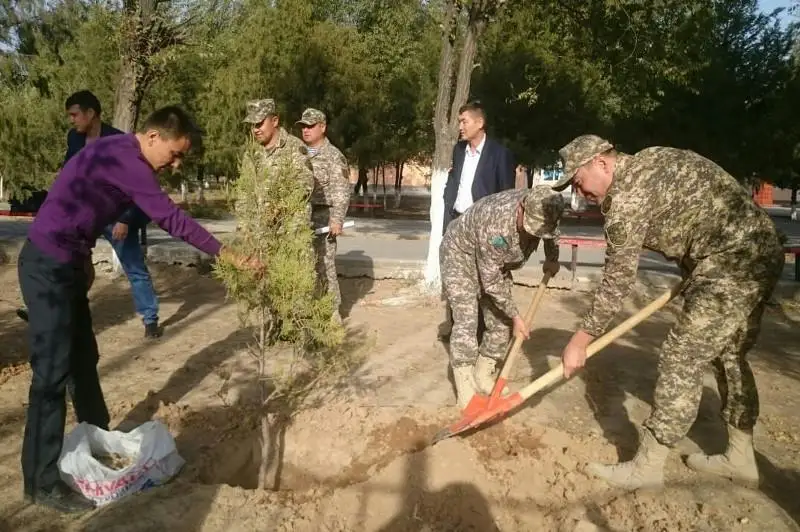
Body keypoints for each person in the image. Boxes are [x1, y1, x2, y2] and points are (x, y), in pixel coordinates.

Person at [18, 105, 257, 513]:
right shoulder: (129, 161)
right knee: (51, 376)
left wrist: (81, 264)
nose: (176, 164)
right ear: (152, 137)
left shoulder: (116, 152)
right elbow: (171, 219)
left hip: (66, 263)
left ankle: (100, 442)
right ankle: (40, 483)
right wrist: (227, 254)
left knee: (83, 359)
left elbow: (79, 207)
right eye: (175, 153)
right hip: (47, 267)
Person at [553, 134, 785, 489]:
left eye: (579, 181)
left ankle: (647, 467)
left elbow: (617, 282)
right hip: (762, 247)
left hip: (731, 260)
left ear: (601, 162)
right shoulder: (650, 158)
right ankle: (741, 457)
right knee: (729, 354)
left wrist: (579, 341)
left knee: (682, 357)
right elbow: (696, 212)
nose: (580, 193)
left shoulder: (626, 201)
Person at [17, 90, 162, 339]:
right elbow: (69, 170)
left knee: (133, 266)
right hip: (82, 217)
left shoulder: (118, 140)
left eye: (75, 115)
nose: (71, 120)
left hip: (115, 216)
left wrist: (125, 218)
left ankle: (150, 319)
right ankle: (52, 309)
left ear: (91, 113)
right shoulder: (74, 138)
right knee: (72, 265)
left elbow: (136, 184)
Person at [440, 186, 565, 408]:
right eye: (530, 228)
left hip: (495, 262)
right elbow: (490, 281)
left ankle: (482, 373)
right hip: (460, 256)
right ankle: (465, 386)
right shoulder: (496, 222)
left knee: (501, 321)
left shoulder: (546, 207)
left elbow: (552, 233)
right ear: (521, 208)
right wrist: (517, 316)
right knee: (467, 319)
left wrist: (552, 258)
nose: (533, 233)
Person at [440, 101, 517, 341]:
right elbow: (454, 185)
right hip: (457, 224)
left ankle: (487, 331)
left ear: (480, 123)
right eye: (459, 121)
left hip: (484, 229)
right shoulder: (458, 151)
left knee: (486, 281)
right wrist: (447, 218)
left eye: (464, 121)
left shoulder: (499, 154)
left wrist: (500, 235)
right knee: (457, 279)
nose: (460, 127)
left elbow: (506, 196)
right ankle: (459, 330)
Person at [296, 108, 351, 323]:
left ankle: (332, 312)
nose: (306, 130)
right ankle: (308, 309)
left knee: (324, 264)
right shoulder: (299, 153)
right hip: (301, 215)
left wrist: (337, 219)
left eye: (311, 126)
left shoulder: (333, 156)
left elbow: (341, 191)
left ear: (323, 127)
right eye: (303, 126)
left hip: (323, 216)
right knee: (304, 263)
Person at [242, 99, 314, 198]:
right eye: (252, 125)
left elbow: (305, 186)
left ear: (275, 121)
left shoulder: (294, 147)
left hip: (287, 212)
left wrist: (276, 207)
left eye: (259, 123)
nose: (255, 130)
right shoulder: (252, 153)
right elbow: (244, 191)